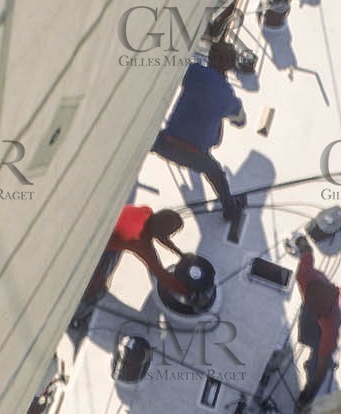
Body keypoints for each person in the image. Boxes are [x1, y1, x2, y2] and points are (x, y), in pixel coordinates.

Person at [152, 40, 247, 224]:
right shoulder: (227, 96)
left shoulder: (193, 72)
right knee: (217, 174)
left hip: (164, 143)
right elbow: (240, 121)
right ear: (230, 67)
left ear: (209, 56)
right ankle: (231, 211)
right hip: (194, 154)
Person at [294, 238, 341, 409]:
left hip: (334, 311)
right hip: (313, 305)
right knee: (306, 332)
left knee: (319, 355)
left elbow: (322, 362)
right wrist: (302, 244)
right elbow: (307, 257)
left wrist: (311, 389)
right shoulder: (305, 276)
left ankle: (312, 378)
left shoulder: (331, 323)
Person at [82, 205, 187, 304]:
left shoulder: (146, 211)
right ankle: (80, 311)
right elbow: (161, 275)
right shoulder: (139, 241)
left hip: (99, 224)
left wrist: (180, 254)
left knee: (121, 242)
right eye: (169, 233)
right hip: (92, 246)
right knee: (99, 290)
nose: (168, 236)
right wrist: (187, 292)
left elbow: (160, 235)